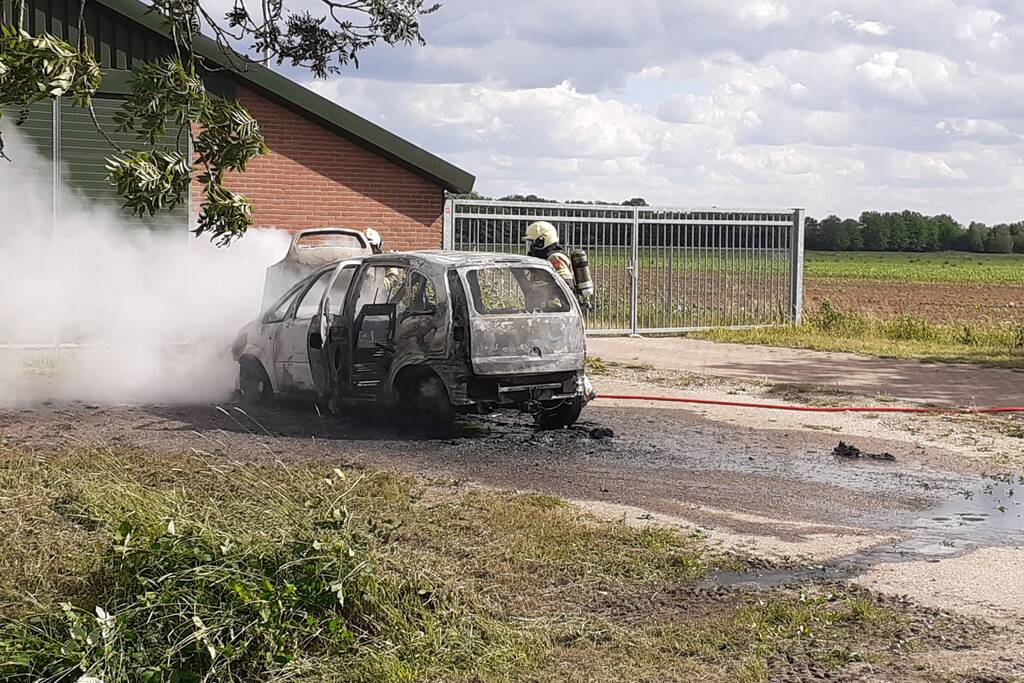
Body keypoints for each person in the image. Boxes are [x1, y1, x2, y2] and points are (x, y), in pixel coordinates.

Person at [523, 221, 575, 289]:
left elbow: (566, 285)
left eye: (533, 242)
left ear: (541, 241)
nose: (531, 246)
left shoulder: (555, 258)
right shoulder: (545, 259)